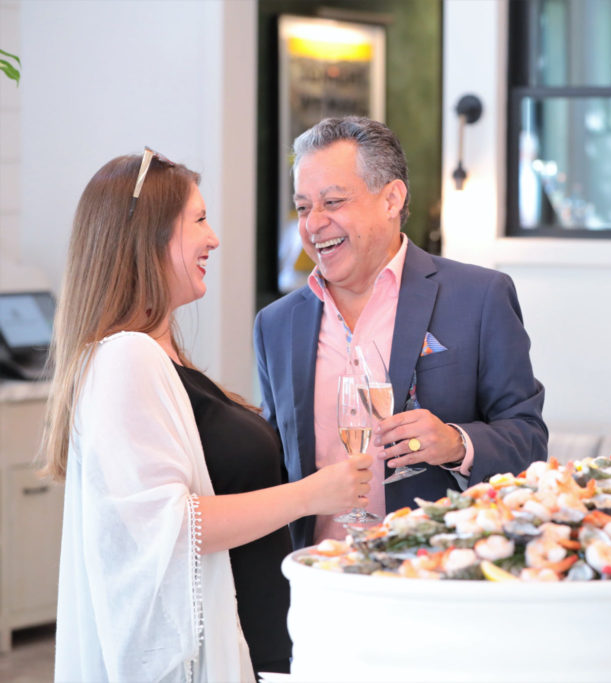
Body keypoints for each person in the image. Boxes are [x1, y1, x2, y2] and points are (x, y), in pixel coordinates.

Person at [41, 149, 373, 681]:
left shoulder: (161, 357)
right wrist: (314, 494)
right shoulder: (126, 358)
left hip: (261, 636)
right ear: (149, 237)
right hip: (224, 649)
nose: (214, 238)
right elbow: (169, 526)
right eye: (198, 220)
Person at [253, 116, 547, 549]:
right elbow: (274, 466)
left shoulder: (479, 297)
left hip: (433, 570)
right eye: (302, 207)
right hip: (319, 574)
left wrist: (456, 443)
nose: (313, 224)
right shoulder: (275, 325)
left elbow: (529, 440)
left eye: (332, 202)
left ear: (391, 199)